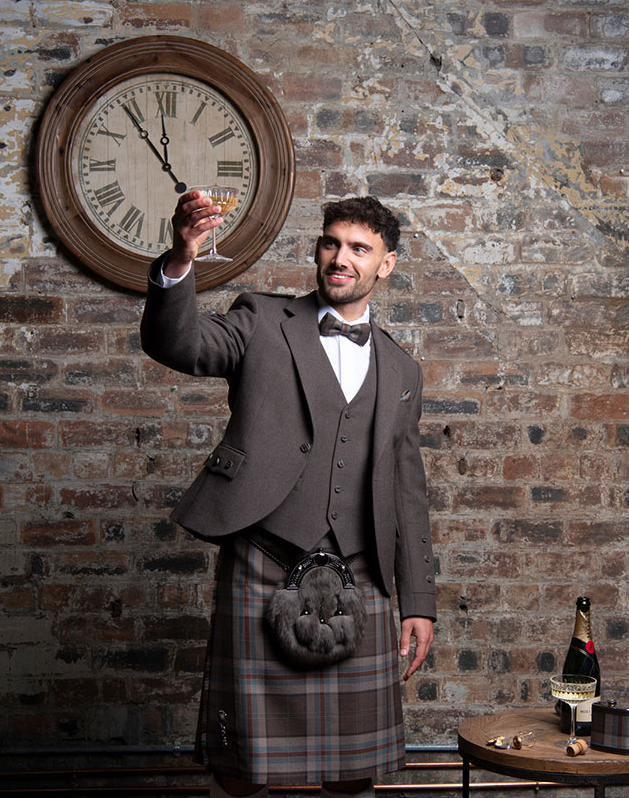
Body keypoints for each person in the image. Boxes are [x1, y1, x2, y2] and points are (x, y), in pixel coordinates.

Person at [140, 192, 436, 798]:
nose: (341, 258)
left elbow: (408, 489)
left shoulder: (403, 370)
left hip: (361, 571)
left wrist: (419, 601)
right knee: (243, 765)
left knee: (353, 768)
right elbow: (179, 344)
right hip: (264, 558)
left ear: (386, 264)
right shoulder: (262, 320)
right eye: (332, 243)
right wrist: (181, 257)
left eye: (360, 249)